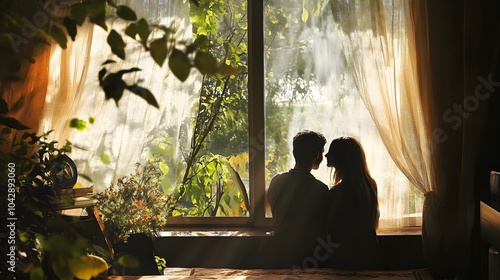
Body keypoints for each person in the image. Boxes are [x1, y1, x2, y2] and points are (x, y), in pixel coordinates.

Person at [267, 130, 330, 268]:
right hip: (308, 257)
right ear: (317, 154)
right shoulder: (320, 189)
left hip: (277, 254)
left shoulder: (276, 181)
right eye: (322, 152)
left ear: (295, 153)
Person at [322, 136, 380, 269]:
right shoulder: (370, 184)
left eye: (331, 152)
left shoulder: (338, 191)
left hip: (345, 253)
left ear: (341, 157)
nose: (326, 155)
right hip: (368, 249)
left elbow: (330, 228)